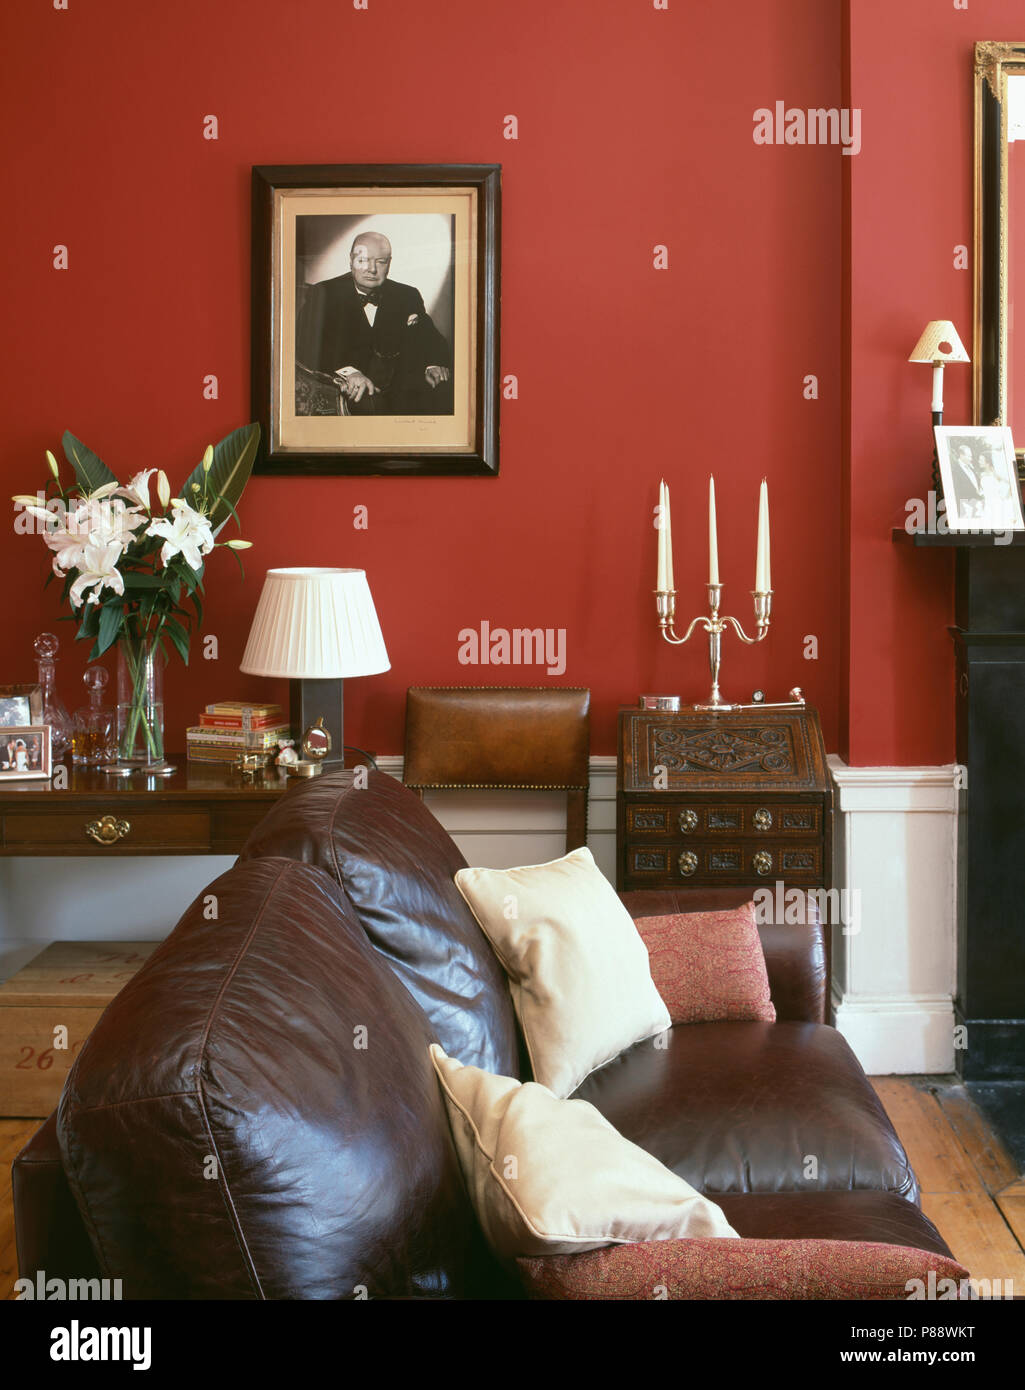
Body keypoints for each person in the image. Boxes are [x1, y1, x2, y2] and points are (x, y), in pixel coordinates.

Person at [295, 231, 453, 416]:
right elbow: (306, 346)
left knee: (444, 394)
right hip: (351, 393)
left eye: (380, 261)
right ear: (351, 260)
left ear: (389, 263)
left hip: (401, 393)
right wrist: (348, 373)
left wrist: (433, 364)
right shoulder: (323, 293)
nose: (372, 269)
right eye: (363, 260)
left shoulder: (407, 295)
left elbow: (430, 338)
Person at [951, 443, 983, 521]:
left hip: (976, 506)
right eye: (969, 456)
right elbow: (956, 492)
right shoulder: (954, 470)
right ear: (961, 455)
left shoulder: (971, 467)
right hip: (965, 508)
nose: (971, 459)